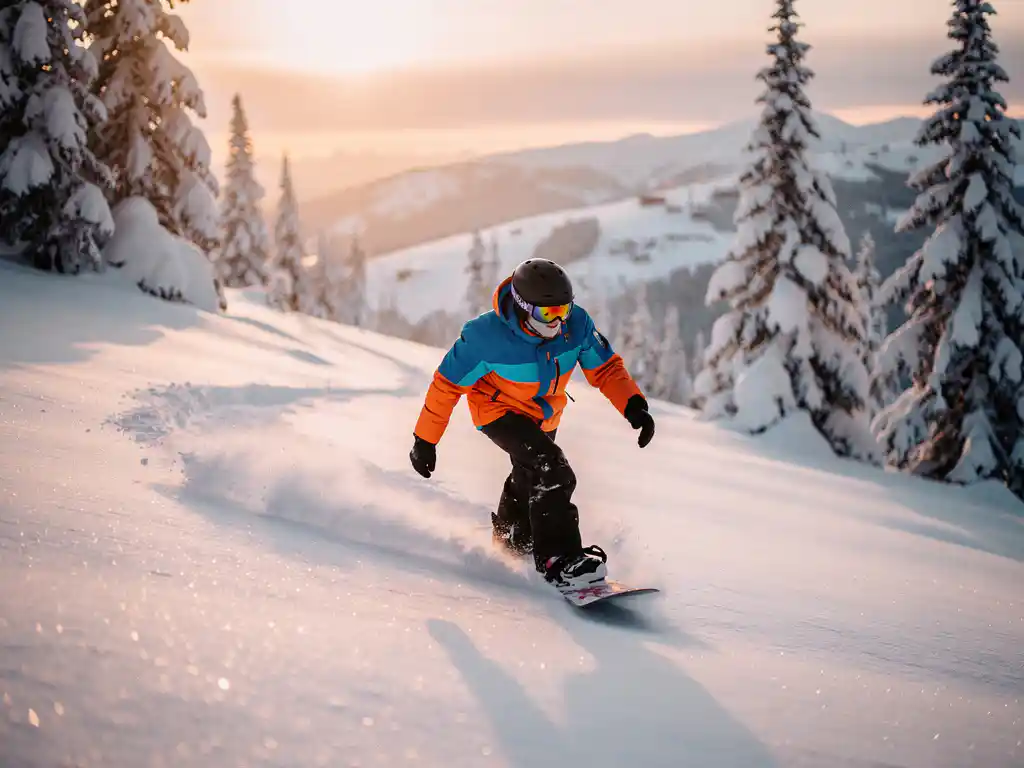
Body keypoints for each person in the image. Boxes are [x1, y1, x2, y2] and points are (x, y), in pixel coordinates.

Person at [409, 258, 655, 588]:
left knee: (529, 476)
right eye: (547, 313)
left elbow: (606, 368)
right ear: (524, 307)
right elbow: (447, 385)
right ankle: (561, 560)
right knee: (550, 466)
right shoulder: (485, 337)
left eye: (563, 310)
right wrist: (425, 439)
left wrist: (633, 405)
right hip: (498, 411)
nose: (557, 321)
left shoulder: (576, 325)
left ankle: (513, 541)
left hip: (544, 414)